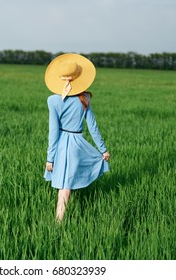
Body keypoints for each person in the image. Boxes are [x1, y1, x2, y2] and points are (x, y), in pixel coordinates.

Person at [44, 53, 110, 223]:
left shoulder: (53, 100)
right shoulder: (84, 98)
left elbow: (53, 132)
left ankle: (57, 223)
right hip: (78, 144)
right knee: (67, 185)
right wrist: (103, 149)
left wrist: (50, 158)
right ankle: (59, 221)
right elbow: (93, 127)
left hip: (61, 146)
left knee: (64, 187)